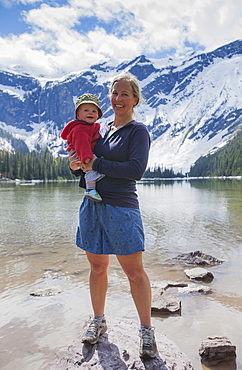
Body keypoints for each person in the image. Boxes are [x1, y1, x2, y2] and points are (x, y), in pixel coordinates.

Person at [69, 72, 158, 359]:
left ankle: (146, 332)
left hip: (121, 208)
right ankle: (98, 320)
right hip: (91, 206)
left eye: (125, 95)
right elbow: (85, 163)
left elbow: (136, 170)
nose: (118, 99)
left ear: (134, 100)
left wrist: (97, 161)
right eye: (115, 94)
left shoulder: (137, 131)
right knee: (97, 268)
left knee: (134, 272)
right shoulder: (100, 129)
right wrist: (76, 164)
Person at [61, 93, 104, 202]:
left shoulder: (90, 127)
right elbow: (82, 144)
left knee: (91, 169)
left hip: (84, 153)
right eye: (86, 110)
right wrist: (86, 158)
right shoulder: (80, 129)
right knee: (90, 170)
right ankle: (90, 190)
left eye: (94, 111)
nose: (90, 112)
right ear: (78, 115)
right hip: (83, 154)